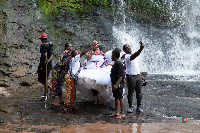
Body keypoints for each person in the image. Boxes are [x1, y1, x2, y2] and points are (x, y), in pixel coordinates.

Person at [123, 41, 145, 113]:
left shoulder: (134, 56)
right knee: (130, 92)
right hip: (130, 76)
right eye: (126, 47)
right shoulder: (127, 56)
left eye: (129, 46)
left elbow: (137, 66)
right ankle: (130, 107)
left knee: (139, 92)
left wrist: (141, 75)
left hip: (138, 75)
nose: (128, 48)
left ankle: (139, 106)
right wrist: (141, 49)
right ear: (124, 50)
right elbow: (135, 55)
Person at [110, 48, 125, 119]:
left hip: (118, 84)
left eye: (112, 55)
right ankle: (116, 112)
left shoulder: (119, 64)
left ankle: (122, 113)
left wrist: (116, 84)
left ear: (115, 56)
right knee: (116, 97)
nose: (111, 56)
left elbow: (121, 76)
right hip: (114, 83)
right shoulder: (115, 64)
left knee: (120, 97)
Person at [37, 33, 53, 101]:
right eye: (42, 39)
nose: (44, 40)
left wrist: (48, 60)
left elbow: (52, 55)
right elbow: (42, 55)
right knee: (40, 79)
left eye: (45, 39)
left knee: (45, 78)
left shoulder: (49, 46)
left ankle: (46, 94)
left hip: (47, 64)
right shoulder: (42, 46)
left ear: (46, 39)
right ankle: (50, 88)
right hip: (42, 64)